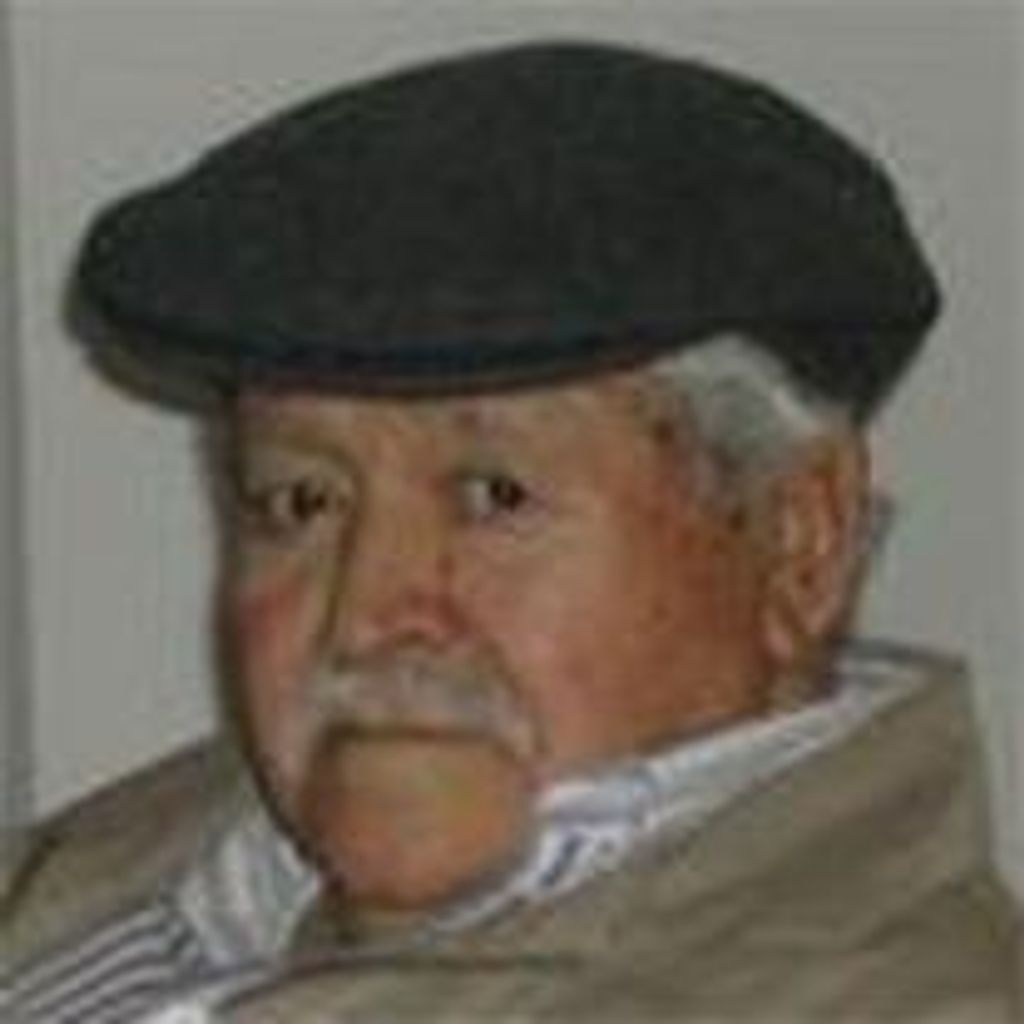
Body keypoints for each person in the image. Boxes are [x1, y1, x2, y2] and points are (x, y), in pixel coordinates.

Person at [6, 40, 1018, 1023]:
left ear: (799, 541)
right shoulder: (174, 861)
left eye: (493, 496)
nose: (365, 614)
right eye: (299, 502)